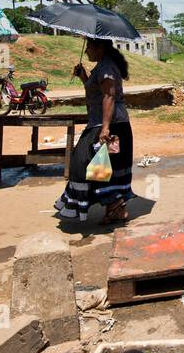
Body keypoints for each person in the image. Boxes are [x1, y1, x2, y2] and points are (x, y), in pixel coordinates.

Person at [56, 38, 134, 225]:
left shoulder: (107, 67)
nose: (87, 51)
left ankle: (116, 206)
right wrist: (84, 76)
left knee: (84, 163)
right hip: (102, 124)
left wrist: (105, 128)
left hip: (111, 126)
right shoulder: (102, 66)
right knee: (102, 168)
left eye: (89, 47)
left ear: (100, 48)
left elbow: (109, 96)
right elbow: (97, 92)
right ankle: (115, 208)